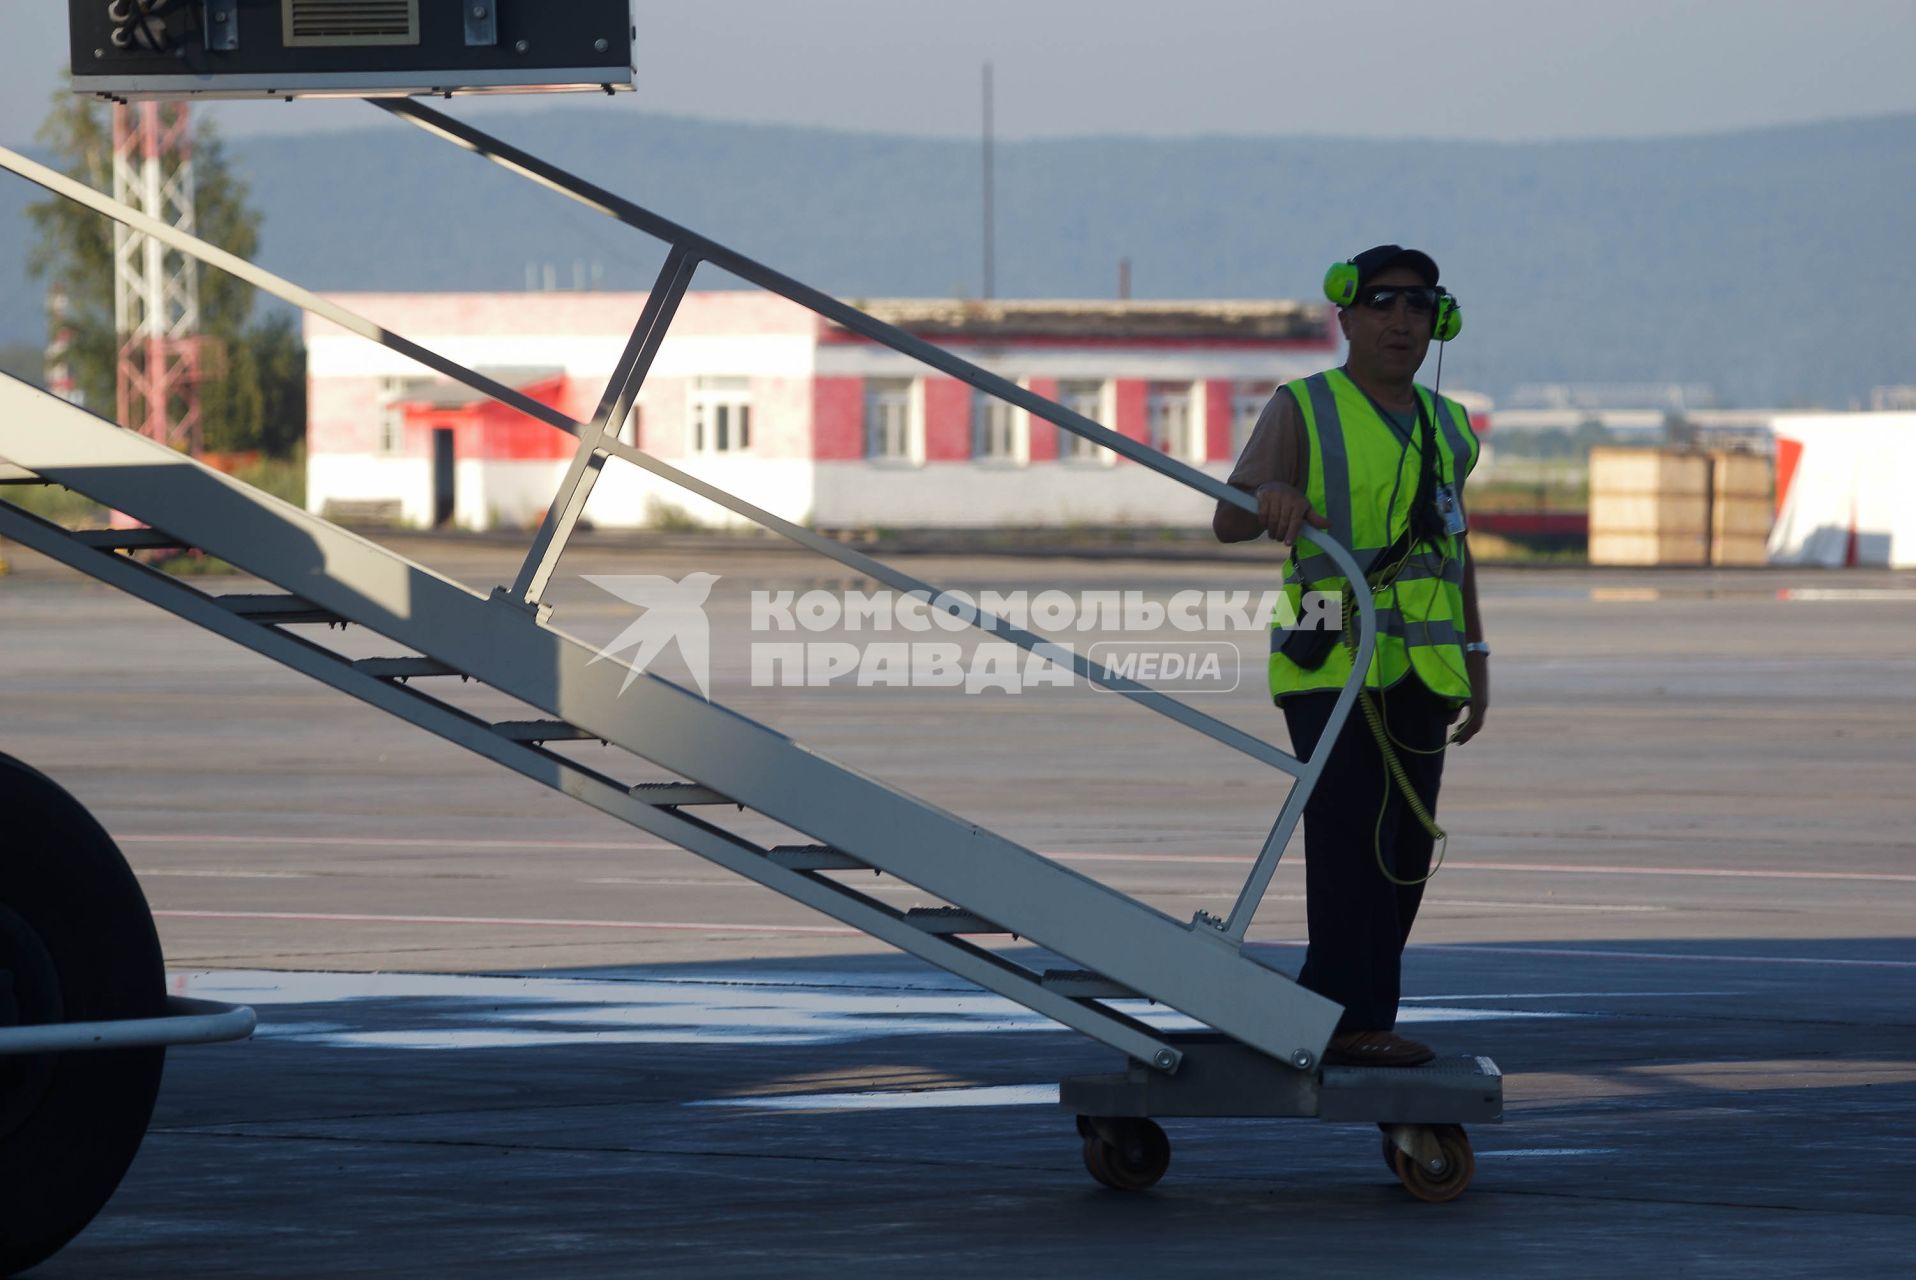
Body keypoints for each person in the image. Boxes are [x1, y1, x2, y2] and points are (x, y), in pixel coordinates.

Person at [1214, 245, 1489, 1068]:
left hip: (1423, 670)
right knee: (1350, 842)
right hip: (1332, 657)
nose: (1401, 322)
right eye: (1382, 304)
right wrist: (1271, 499)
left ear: (1440, 320)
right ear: (1347, 316)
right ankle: (1347, 1020)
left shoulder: (1450, 425)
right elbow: (1228, 519)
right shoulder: (1305, 408)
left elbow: (1457, 552)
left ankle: (1352, 1012)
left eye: (1417, 306)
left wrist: (1477, 656)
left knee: (1405, 853)